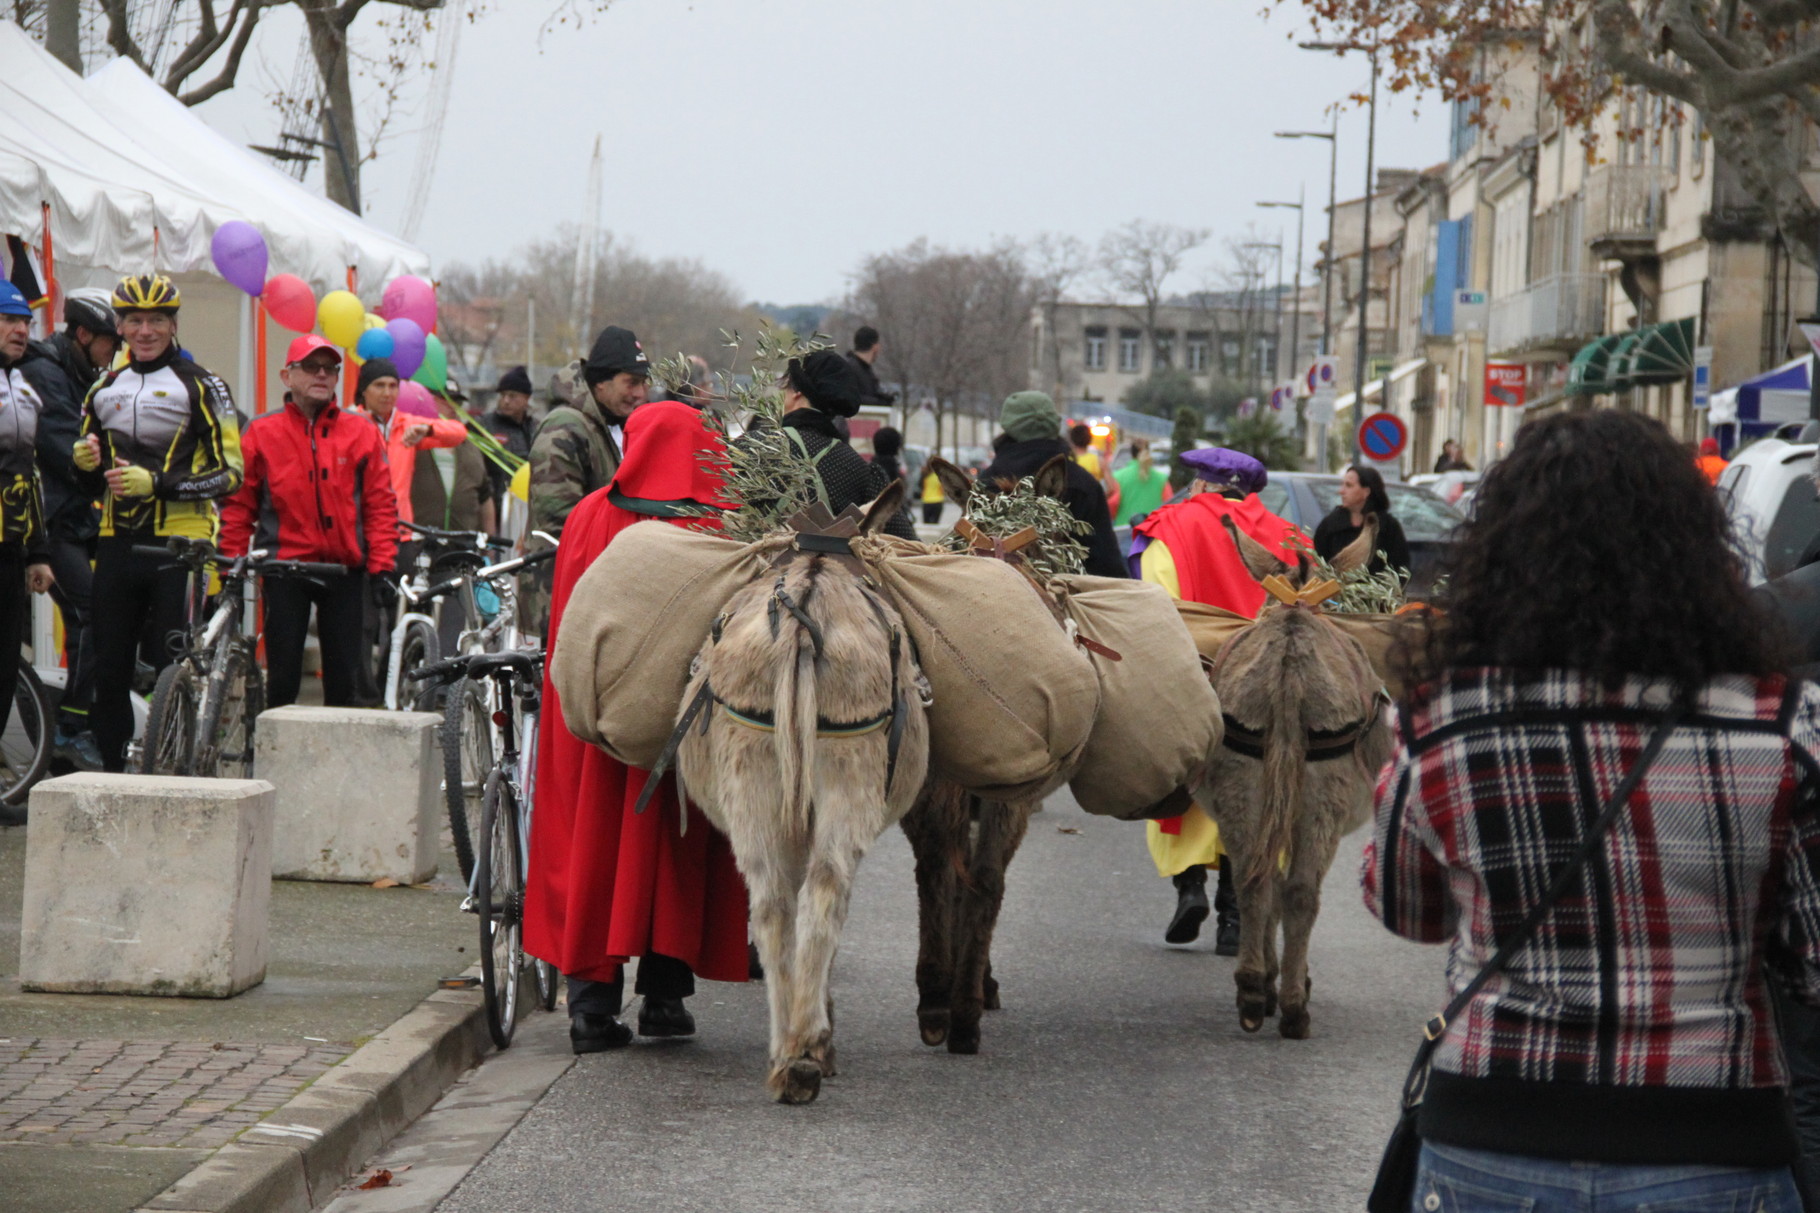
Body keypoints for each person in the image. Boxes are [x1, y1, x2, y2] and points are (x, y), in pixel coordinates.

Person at [1366, 408, 1820, 1212]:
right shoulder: (1784, 723)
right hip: (1712, 1141)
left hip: (1490, 1138)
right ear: (1697, 549)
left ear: (1502, 552)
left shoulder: (1443, 719)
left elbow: (1408, 909)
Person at [526, 399, 750, 1053]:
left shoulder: (593, 514)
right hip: (684, 727)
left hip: (594, 721)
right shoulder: (722, 526)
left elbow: (566, 618)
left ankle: (590, 1009)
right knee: (676, 851)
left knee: (593, 847)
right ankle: (664, 997)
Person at [1128, 447, 1309, 953]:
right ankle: (1234, 914)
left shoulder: (1170, 526)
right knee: (1252, 791)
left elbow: (1154, 600)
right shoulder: (1286, 534)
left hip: (1194, 677)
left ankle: (1189, 888)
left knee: (1182, 778)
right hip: (1263, 687)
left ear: (1203, 483)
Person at [75, 274, 242, 773]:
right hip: (117, 541)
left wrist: (160, 484)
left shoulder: (204, 384)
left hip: (181, 542)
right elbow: (87, 478)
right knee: (109, 666)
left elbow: (231, 475)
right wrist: (80, 465)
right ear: (120, 327)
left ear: (172, 325)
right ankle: (111, 776)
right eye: (135, 321)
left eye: (156, 321)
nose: (145, 330)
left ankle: (175, 766)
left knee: (174, 662)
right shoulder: (103, 387)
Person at [220, 336, 397, 709]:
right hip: (285, 568)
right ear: (288, 375)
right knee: (282, 680)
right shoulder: (261, 431)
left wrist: (382, 568)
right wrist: (230, 567)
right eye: (311, 367)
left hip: (344, 571)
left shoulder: (362, 431)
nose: (321, 374)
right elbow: (239, 506)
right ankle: (273, 761)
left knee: (344, 684)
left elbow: (379, 505)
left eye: (330, 369)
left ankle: (337, 764)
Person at [19, 289, 115, 766]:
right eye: (110, 342)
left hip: (73, 520)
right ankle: (70, 729)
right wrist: (113, 468)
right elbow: (67, 450)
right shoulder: (45, 375)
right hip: (46, 522)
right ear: (82, 334)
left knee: (112, 604)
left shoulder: (77, 372)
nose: (115, 353)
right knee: (90, 611)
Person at [0, 282, 59, 822]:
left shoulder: (21, 387)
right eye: (7, 319)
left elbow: (30, 477)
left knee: (1, 671)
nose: (21, 329)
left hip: (10, 552)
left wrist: (38, 551)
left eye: (25, 321)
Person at [770, 351, 918, 539]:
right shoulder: (862, 472)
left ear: (797, 393)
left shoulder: (756, 449)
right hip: (834, 568)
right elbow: (909, 544)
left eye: (784, 387)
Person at [981, 391, 1125, 578]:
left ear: (1008, 428)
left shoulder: (986, 483)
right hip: (1068, 600)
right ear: (1054, 426)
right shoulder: (1083, 484)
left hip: (993, 599)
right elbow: (1107, 564)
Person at [529, 325, 648, 542]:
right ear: (601, 381)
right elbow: (558, 517)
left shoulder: (615, 424)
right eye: (631, 383)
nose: (639, 393)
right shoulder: (564, 428)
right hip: (567, 571)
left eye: (643, 383)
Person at [1313, 464, 1410, 576]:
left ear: (1366, 492)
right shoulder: (1330, 525)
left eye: (1348, 485)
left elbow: (1399, 568)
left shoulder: (1387, 527)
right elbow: (1319, 564)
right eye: (1342, 485)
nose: (1341, 491)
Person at [480, 365, 536, 504]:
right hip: (495, 507)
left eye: (512, 396)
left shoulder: (536, 428)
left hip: (526, 505)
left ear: (526, 398)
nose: (505, 401)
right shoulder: (484, 426)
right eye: (503, 395)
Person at [1112, 440, 1168, 527]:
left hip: (1124, 530)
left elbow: (1113, 503)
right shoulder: (1161, 478)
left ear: (1131, 454)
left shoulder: (1118, 476)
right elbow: (1169, 505)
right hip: (1153, 530)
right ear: (1148, 453)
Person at [844, 325, 895, 411]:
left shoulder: (859, 369)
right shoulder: (851, 368)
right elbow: (849, 397)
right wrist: (879, 402)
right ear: (875, 347)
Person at [918, 460, 945, 526]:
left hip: (927, 501)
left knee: (926, 525)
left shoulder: (924, 475)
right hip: (938, 501)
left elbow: (919, 485)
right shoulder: (940, 476)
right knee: (935, 524)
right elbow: (943, 489)